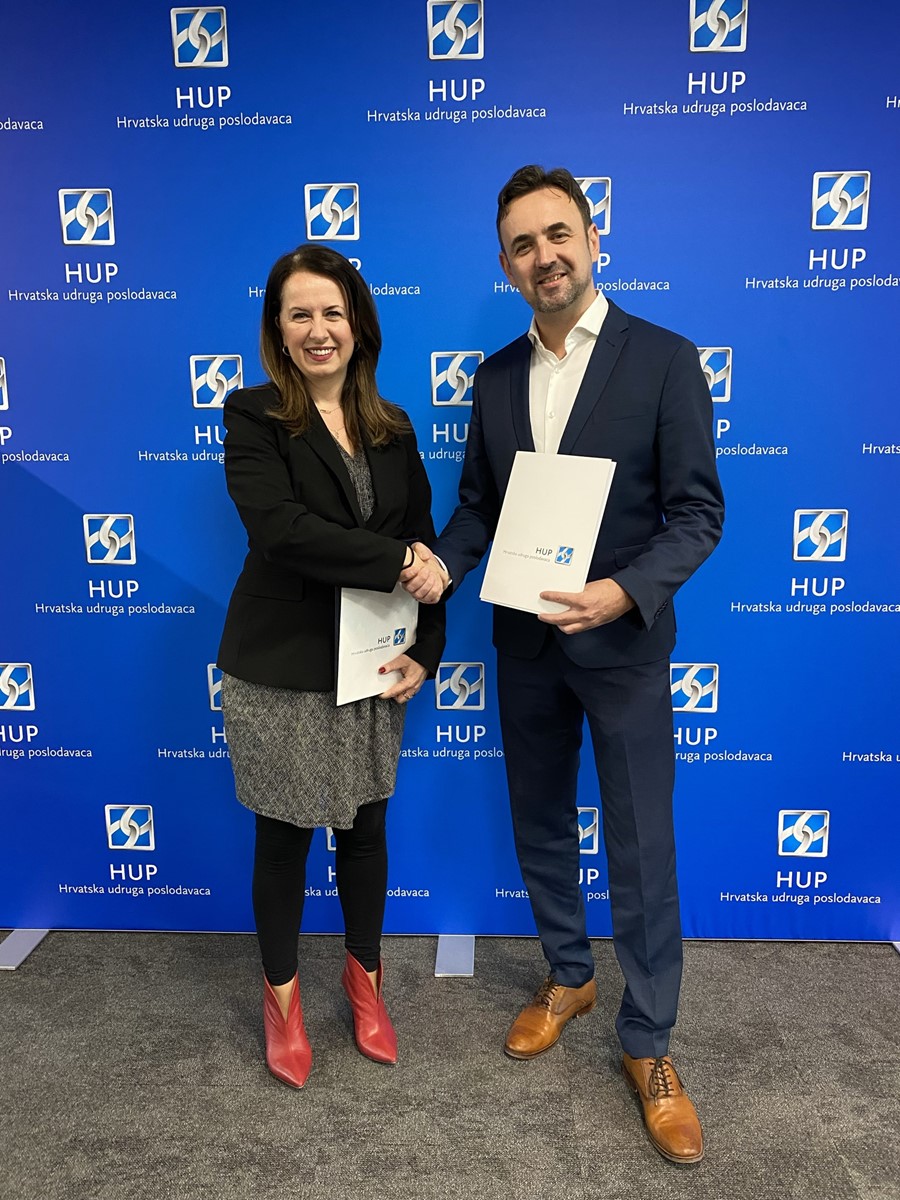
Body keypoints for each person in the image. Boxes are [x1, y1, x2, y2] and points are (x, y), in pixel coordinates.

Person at [405, 166, 723, 1163]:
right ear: (506, 266)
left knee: (641, 844)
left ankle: (650, 1042)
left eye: (558, 235)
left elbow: (698, 514)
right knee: (540, 819)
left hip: (622, 645)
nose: (544, 256)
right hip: (526, 644)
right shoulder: (496, 377)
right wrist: (442, 563)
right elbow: (478, 506)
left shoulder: (665, 359)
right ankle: (569, 976)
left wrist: (626, 590)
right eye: (523, 245)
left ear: (592, 240)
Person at [217, 244, 445, 1089]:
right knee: (282, 838)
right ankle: (282, 1002)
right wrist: (396, 562)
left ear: (358, 326)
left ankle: (365, 983)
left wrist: (427, 647)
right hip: (279, 668)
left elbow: (425, 543)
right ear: (278, 330)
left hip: (373, 664)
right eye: (300, 314)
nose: (319, 329)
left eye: (333, 313)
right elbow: (280, 530)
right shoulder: (253, 415)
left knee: (365, 831)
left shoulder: (394, 426)